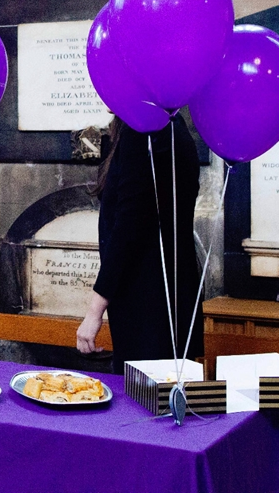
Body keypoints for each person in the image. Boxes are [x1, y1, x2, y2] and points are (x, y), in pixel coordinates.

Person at [76, 115, 203, 374]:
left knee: (143, 406)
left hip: (147, 304)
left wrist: (94, 312)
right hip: (174, 295)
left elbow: (128, 230)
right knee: (166, 403)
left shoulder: (142, 131)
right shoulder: (174, 128)